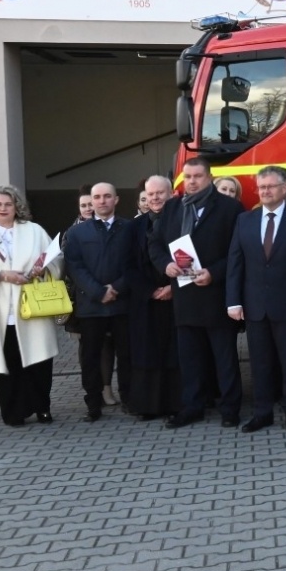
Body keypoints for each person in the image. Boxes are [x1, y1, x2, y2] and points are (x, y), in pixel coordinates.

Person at [0, 185, 64, 428]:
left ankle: (42, 408)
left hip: (32, 308)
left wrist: (44, 268)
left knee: (39, 362)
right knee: (6, 366)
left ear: (17, 206)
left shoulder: (34, 231)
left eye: (8, 204)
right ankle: (13, 412)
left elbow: (56, 259)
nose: (3, 208)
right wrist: (2, 275)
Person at [151, 157, 245, 428]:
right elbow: (155, 244)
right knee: (189, 358)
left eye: (197, 176)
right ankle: (192, 406)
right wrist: (165, 265)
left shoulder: (230, 208)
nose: (191, 181)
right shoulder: (171, 208)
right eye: (187, 176)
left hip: (215, 294)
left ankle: (230, 408)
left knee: (224, 357)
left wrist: (213, 273)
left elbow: (237, 253)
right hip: (185, 296)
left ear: (210, 177)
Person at [226, 166, 286, 432]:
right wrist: (233, 301)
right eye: (261, 186)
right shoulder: (245, 220)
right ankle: (262, 412)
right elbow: (235, 263)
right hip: (255, 307)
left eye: (270, 186)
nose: (265, 191)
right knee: (260, 364)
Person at [63, 182, 137, 422]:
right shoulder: (76, 233)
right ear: (91, 201)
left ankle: (129, 399)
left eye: (107, 196)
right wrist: (98, 291)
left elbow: (137, 264)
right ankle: (93, 404)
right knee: (90, 358)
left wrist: (116, 288)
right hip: (91, 306)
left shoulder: (131, 228)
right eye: (97, 197)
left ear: (116, 200)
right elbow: (74, 266)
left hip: (122, 304)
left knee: (127, 356)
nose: (102, 201)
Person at [125, 175, 181, 421]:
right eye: (151, 194)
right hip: (144, 301)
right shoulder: (133, 227)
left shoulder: (182, 221)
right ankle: (147, 406)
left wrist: (172, 286)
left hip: (177, 296)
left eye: (160, 193)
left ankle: (176, 405)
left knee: (174, 353)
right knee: (146, 353)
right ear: (144, 198)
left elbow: (188, 256)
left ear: (171, 194)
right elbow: (126, 266)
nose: (155, 198)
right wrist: (150, 291)